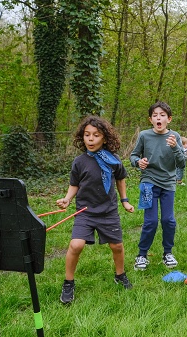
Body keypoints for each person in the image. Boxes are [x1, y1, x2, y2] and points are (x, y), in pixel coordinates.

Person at [56, 116, 135, 304]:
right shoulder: (79, 162)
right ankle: (68, 283)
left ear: (105, 138)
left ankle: (120, 275)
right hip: (85, 212)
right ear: (82, 137)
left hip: (108, 211)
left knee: (116, 246)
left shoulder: (113, 160)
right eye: (87, 135)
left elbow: (120, 179)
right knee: (76, 245)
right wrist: (67, 199)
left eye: (96, 135)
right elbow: (74, 184)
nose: (90, 139)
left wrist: (125, 200)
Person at [130, 101, 186, 271]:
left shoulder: (174, 137)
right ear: (150, 119)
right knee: (151, 221)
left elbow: (182, 163)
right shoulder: (144, 136)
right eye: (155, 115)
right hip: (148, 182)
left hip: (168, 183)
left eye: (162, 115)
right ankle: (141, 255)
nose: (158, 118)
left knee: (168, 220)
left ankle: (167, 253)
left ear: (169, 119)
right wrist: (138, 162)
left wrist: (176, 148)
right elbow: (133, 156)